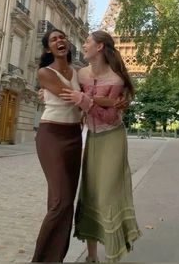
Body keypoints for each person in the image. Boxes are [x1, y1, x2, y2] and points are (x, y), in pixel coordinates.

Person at [32, 29, 125, 263]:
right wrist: (112, 101)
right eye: (53, 39)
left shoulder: (79, 72)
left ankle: (56, 258)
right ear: (47, 48)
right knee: (60, 202)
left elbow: (90, 95)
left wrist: (117, 100)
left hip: (73, 136)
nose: (60, 40)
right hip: (51, 135)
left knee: (65, 202)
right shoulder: (45, 72)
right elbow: (73, 96)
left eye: (62, 37)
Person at [60, 30, 142, 263]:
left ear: (99, 47)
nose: (83, 44)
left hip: (112, 137)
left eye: (87, 41)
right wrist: (47, 92)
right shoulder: (81, 73)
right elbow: (66, 89)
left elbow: (109, 117)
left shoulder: (115, 80)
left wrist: (86, 101)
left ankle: (113, 255)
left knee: (107, 196)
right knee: (91, 194)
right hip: (93, 139)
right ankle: (92, 257)